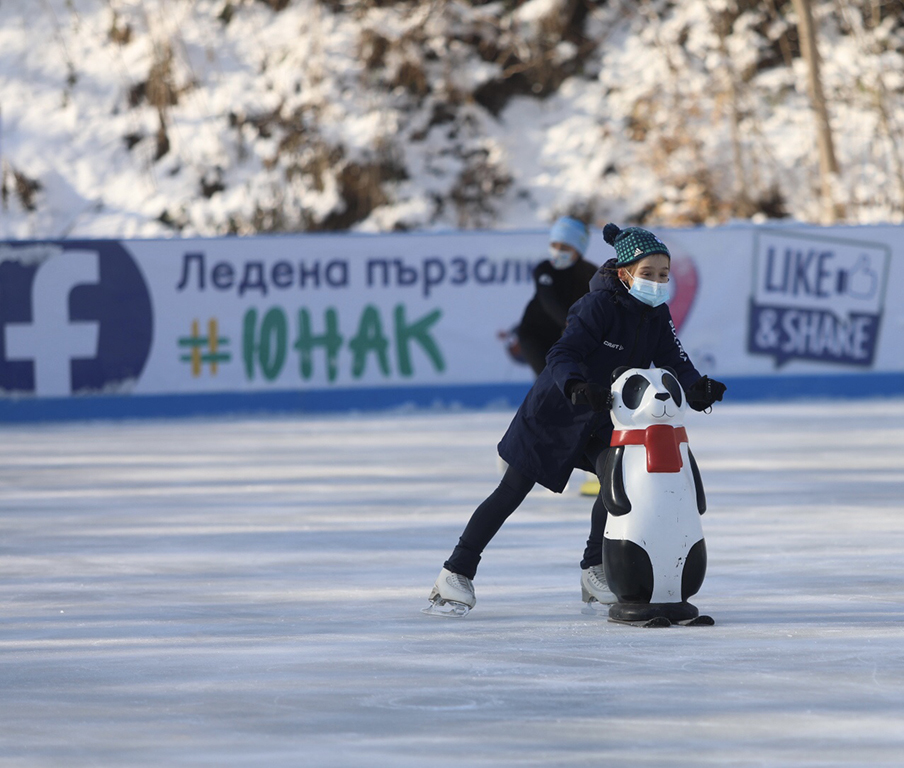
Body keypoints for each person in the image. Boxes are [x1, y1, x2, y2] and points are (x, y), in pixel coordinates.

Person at [425, 222, 727, 616]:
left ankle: (593, 568)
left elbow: (675, 358)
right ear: (625, 273)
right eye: (648, 274)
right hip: (555, 412)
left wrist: (697, 387)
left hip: (602, 418)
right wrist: (577, 386)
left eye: (664, 275)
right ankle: (455, 572)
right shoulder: (598, 306)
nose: (657, 282)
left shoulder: (657, 313)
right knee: (511, 490)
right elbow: (561, 354)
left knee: (615, 481)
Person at [511, 216, 598, 376]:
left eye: (564, 247)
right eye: (554, 245)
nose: (558, 251)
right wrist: (570, 323)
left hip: (567, 338)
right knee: (549, 380)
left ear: (578, 250)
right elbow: (548, 301)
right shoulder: (545, 269)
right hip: (534, 335)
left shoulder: (591, 274)